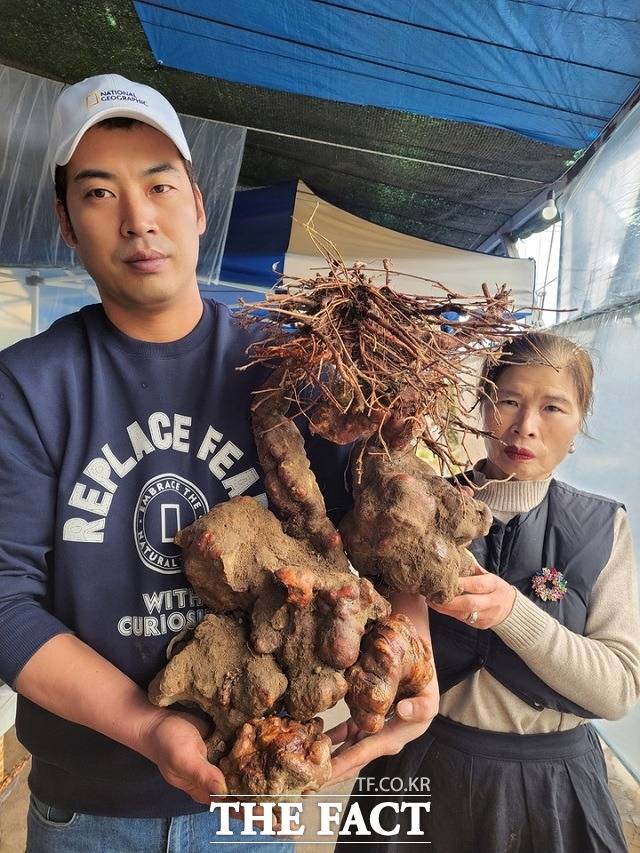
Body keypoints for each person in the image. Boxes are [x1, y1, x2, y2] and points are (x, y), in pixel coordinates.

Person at [0, 72, 437, 852]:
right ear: (66, 223)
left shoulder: (293, 368)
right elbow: (6, 603)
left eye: (160, 184)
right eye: (98, 194)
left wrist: (406, 643)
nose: (139, 219)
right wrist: (145, 726)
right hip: (87, 811)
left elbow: (385, 522)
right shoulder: (30, 387)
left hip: (252, 793)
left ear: (199, 207)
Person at [334, 331, 640, 852]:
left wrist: (511, 612)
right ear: (481, 400)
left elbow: (616, 692)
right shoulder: (413, 505)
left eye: (553, 408)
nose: (526, 427)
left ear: (580, 422)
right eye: (509, 401)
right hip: (422, 764)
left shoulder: (602, 527)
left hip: (553, 782)